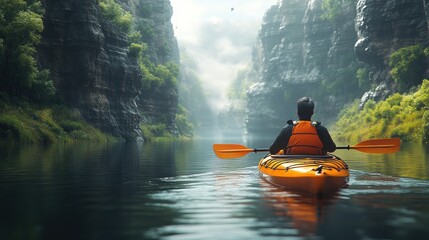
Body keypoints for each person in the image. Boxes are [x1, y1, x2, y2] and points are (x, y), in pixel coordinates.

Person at [269, 97, 336, 155]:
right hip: (318, 163)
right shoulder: (321, 129)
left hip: (291, 163)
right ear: (312, 112)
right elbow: (331, 148)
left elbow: (273, 150)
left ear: (297, 112)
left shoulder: (288, 129)